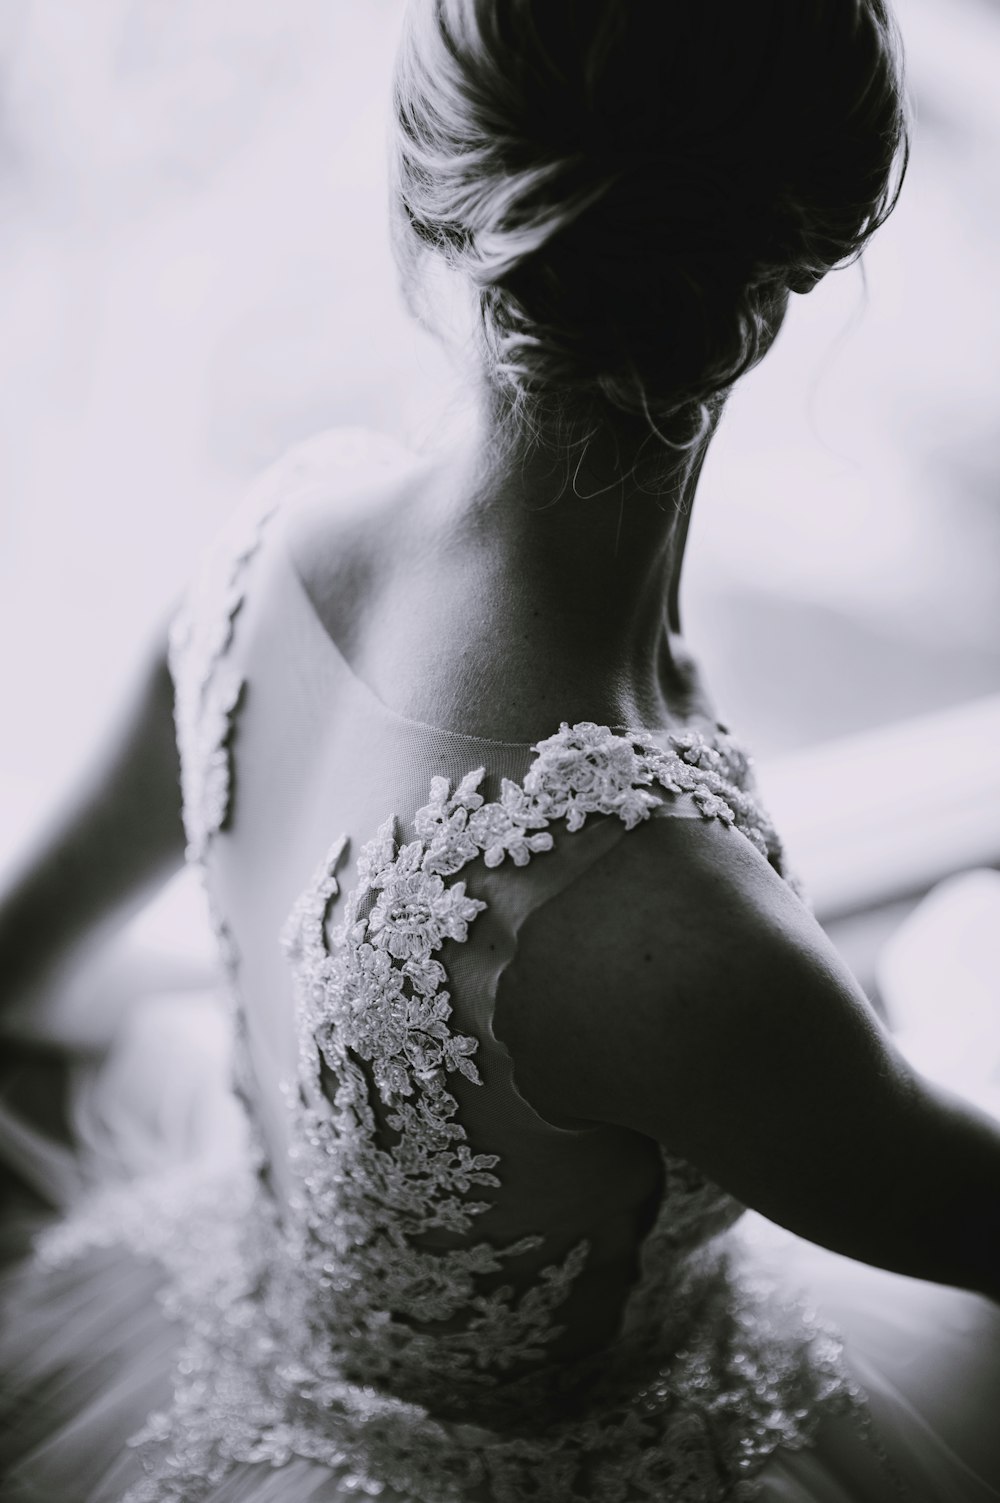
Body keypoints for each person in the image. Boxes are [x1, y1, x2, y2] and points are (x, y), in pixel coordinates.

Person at [1, 2, 998, 1499]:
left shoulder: (265, 556)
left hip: (216, 1352)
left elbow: (24, 945)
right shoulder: (660, 923)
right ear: (806, 251)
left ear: (433, 198)